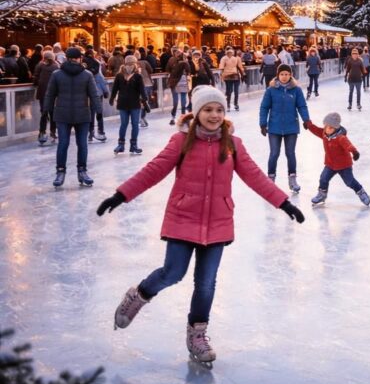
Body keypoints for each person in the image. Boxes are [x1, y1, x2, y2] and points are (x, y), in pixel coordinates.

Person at [97, 85, 303, 365]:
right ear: (196, 113)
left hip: (218, 222)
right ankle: (139, 294)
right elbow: (154, 170)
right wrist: (121, 195)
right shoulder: (181, 142)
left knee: (206, 284)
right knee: (173, 272)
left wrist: (284, 202)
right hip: (183, 217)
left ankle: (197, 335)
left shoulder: (233, 144)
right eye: (207, 109)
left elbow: (255, 177)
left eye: (219, 110)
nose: (214, 115)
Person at [43, 46, 103, 187]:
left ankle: (60, 172)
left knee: (63, 144)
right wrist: (99, 113)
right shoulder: (87, 74)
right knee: (82, 144)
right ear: (78, 58)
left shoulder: (57, 74)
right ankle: (82, 171)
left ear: (67, 58)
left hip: (62, 115)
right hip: (82, 115)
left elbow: (50, 94)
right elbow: (94, 95)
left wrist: (46, 110)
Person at [259, 64, 311, 193]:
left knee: (290, 153)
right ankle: (270, 179)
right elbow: (264, 107)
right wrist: (263, 123)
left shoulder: (296, 90)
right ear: (278, 75)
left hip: (291, 127)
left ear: (290, 75)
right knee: (274, 153)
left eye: (287, 74)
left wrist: (306, 120)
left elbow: (302, 106)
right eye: (282, 74)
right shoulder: (271, 90)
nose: (284, 77)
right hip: (274, 127)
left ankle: (292, 179)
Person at [306, 112, 370, 208]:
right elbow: (316, 130)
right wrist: (309, 125)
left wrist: (354, 152)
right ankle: (322, 195)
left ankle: (361, 192)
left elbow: (348, 145)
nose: (327, 129)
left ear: (336, 128)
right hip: (330, 164)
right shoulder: (324, 133)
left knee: (349, 182)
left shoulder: (340, 138)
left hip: (344, 165)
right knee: (323, 178)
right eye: (326, 126)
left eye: (330, 128)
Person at [109, 55, 148, 155]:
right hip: (130, 104)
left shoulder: (135, 76)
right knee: (131, 125)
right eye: (130, 63)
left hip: (128, 104)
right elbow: (142, 92)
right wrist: (145, 101)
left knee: (127, 124)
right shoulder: (123, 76)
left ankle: (126, 145)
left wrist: (112, 98)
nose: (131, 65)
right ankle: (127, 145)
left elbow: (142, 91)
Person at [33, 50, 59, 145]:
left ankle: (42, 132)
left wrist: (37, 83)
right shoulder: (56, 66)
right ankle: (53, 131)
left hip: (43, 93)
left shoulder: (39, 66)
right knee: (53, 113)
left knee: (44, 113)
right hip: (53, 94)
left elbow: (35, 78)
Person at [168, 49, 191, 124]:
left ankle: (173, 117)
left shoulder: (172, 61)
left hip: (174, 82)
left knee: (175, 100)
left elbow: (167, 69)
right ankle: (183, 116)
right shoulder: (185, 63)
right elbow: (189, 71)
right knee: (183, 98)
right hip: (183, 81)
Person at [219, 47, 243, 111]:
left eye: (231, 53)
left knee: (236, 91)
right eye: (228, 52)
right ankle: (228, 104)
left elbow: (240, 67)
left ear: (232, 53)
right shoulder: (223, 58)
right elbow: (221, 67)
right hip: (227, 76)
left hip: (235, 75)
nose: (230, 54)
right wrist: (221, 75)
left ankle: (236, 104)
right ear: (226, 53)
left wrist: (243, 74)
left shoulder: (236, 58)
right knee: (229, 91)